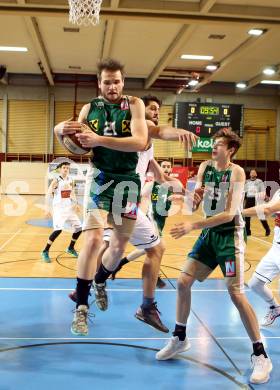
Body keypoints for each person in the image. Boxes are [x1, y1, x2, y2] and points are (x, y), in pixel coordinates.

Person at [156, 128, 272, 385]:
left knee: (236, 294)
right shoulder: (205, 167)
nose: (214, 147)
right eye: (214, 143)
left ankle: (260, 354)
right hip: (209, 234)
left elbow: (231, 214)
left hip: (229, 236)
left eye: (219, 144)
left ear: (230, 150)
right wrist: (187, 196)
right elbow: (195, 203)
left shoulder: (237, 172)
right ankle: (180, 338)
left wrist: (192, 225)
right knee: (183, 282)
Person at [54, 58, 148, 336]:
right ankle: (81, 309)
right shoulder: (89, 108)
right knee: (93, 239)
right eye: (107, 81)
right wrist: (61, 130)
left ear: (123, 81)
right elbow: (77, 140)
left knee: (118, 247)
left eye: (117, 81)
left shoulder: (134, 105)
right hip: (100, 178)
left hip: (128, 180)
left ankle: (100, 280)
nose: (112, 86)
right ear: (99, 83)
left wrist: (98, 139)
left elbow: (140, 142)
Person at [111, 160, 174, 289]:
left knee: (146, 249)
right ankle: (155, 277)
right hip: (152, 219)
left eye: (168, 167)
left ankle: (119, 264)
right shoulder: (152, 184)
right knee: (159, 247)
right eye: (163, 167)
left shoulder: (171, 185)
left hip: (161, 220)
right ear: (158, 169)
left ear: (171, 169)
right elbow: (140, 197)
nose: (166, 169)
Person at [244, 188, 280, 326]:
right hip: (276, 248)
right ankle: (275, 308)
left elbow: (267, 211)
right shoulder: (278, 192)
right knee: (255, 284)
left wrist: (238, 212)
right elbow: (268, 209)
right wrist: (265, 201)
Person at [41, 161, 82, 263]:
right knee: (58, 230)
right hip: (59, 208)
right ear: (60, 169)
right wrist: (47, 209)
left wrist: (76, 204)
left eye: (67, 168)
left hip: (69, 208)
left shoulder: (71, 180)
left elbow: (72, 193)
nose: (66, 169)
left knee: (79, 228)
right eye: (64, 168)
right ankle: (45, 251)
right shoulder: (56, 181)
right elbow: (48, 194)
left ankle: (70, 248)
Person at [244, 169, 270, 236]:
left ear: (256, 174)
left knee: (260, 215)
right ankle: (248, 231)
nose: (252, 173)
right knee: (246, 215)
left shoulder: (259, 181)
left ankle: (267, 229)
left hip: (257, 200)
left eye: (254, 172)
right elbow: (243, 192)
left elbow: (263, 191)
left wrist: (265, 197)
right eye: (251, 172)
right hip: (249, 199)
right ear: (249, 174)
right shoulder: (247, 182)